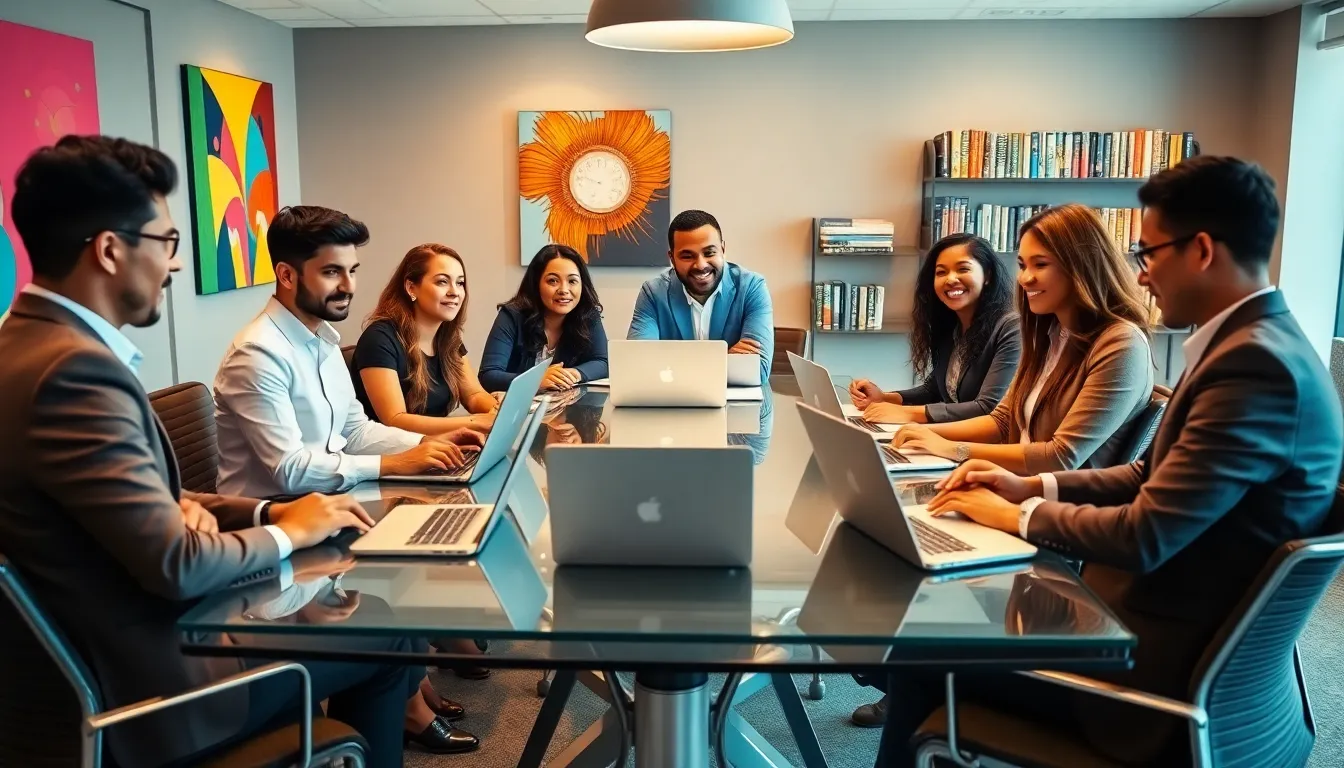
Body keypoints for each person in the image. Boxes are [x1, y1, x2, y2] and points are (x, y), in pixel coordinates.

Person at [0, 135, 460, 768]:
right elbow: (176, 565)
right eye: (166, 243)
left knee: (379, 617)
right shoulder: (74, 374)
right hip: (157, 692)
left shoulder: (28, 350)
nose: (177, 265)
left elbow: (155, 504)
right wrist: (284, 532)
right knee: (389, 639)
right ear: (109, 251)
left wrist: (269, 516)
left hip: (141, 642)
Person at [876, 156, 1344, 767]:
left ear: (1200, 250)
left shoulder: (1254, 369)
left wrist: (1016, 515)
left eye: (1149, 254)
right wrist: (1026, 487)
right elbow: (1146, 477)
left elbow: (1147, 535)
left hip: (1140, 678)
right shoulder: (1254, 345)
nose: (1142, 276)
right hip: (1152, 632)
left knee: (923, 654)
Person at [213, 207, 484, 499]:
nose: (349, 286)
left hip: (331, 502)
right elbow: (289, 470)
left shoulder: (323, 341)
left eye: (352, 271)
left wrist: (427, 443)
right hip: (274, 517)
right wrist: (393, 463)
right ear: (287, 276)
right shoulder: (257, 354)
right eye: (332, 272)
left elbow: (355, 432)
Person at [887, 203, 1154, 476]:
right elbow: (1002, 420)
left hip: (1063, 506)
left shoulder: (1122, 344)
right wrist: (921, 434)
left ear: (1081, 265)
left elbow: (1061, 457)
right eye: (1022, 265)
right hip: (1015, 485)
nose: (1025, 278)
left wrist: (952, 448)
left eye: (1040, 264)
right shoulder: (1048, 333)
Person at [849, 233, 1019, 425]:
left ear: (987, 275)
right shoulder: (950, 325)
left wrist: (909, 414)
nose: (951, 279)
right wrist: (884, 398)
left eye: (963, 269)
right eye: (941, 272)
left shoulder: (1011, 328)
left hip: (984, 447)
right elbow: (935, 389)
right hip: (950, 436)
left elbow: (988, 407)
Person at [352, 242, 500, 435]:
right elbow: (395, 420)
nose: (455, 292)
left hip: (437, 446)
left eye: (460, 282)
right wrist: (475, 422)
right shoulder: (379, 338)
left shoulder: (448, 337)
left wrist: (499, 410)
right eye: (442, 282)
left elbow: (473, 394)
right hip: (392, 454)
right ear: (411, 288)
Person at [628, 209, 774, 382]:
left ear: (723, 250)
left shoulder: (751, 287)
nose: (701, 265)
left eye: (709, 253)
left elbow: (758, 369)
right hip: (674, 405)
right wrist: (727, 360)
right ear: (672, 259)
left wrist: (669, 365)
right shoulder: (653, 293)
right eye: (687, 256)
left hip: (736, 408)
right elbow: (638, 364)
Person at [480, 243, 609, 392]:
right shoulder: (512, 315)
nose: (564, 290)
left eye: (572, 281)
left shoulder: (588, 315)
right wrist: (535, 380)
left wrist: (573, 374)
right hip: (518, 409)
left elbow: (603, 362)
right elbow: (488, 375)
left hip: (569, 410)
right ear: (536, 284)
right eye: (552, 281)